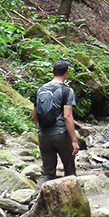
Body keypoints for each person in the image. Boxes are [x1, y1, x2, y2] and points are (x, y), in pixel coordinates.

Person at [32, 58, 80, 189]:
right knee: (69, 171)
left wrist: (41, 130)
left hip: (44, 135)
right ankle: (73, 204)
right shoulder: (67, 91)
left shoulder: (41, 90)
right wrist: (74, 140)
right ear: (67, 72)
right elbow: (67, 116)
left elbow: (34, 116)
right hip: (61, 134)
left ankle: (35, 200)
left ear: (52, 71)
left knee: (47, 174)